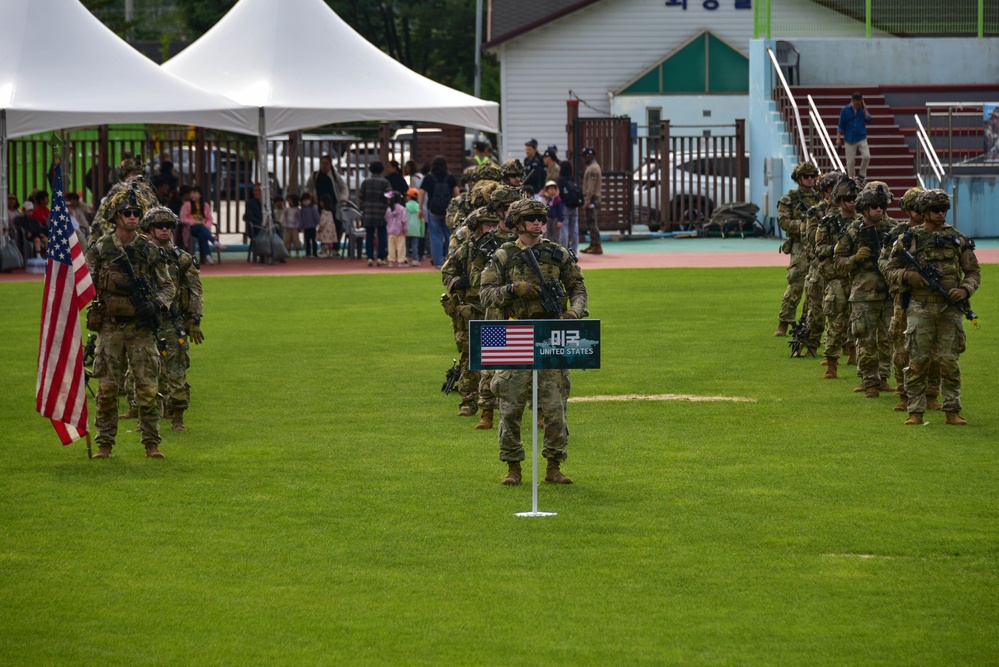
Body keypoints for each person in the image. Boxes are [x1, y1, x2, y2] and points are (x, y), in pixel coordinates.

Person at [480, 198, 588, 486]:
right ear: (518, 222)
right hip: (514, 334)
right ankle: (513, 468)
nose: (538, 223)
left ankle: (554, 466)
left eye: (541, 217)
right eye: (531, 218)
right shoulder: (504, 255)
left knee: (555, 407)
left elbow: (578, 287)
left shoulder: (557, 253)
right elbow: (486, 293)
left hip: (551, 335)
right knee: (511, 406)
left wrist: (574, 312)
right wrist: (513, 289)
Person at [86, 186, 175, 459]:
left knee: (147, 388)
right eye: (127, 213)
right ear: (115, 217)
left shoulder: (147, 249)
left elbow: (167, 287)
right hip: (110, 327)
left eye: (137, 213)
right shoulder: (101, 248)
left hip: (140, 328)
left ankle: (151, 444)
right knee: (107, 390)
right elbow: (85, 283)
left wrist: (156, 304)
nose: (134, 217)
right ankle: (104, 445)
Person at [885, 189, 981, 426]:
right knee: (918, 360)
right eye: (936, 210)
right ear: (925, 212)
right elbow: (889, 269)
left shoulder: (958, 238)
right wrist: (908, 275)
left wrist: (965, 290)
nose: (941, 214)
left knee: (949, 361)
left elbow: (973, 271)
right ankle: (915, 411)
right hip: (920, 307)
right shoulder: (909, 239)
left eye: (944, 210)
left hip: (950, 309)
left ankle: (952, 410)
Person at [141, 207, 204, 432]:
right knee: (144, 372)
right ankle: (147, 418)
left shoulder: (182, 259)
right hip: (144, 322)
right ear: (149, 229)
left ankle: (177, 417)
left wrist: (195, 318)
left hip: (172, 321)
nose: (165, 229)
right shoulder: (138, 256)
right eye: (160, 226)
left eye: (169, 226)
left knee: (176, 371)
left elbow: (196, 290)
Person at [879, 187, 940, 412]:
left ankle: (932, 394)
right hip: (904, 298)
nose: (918, 211)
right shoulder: (898, 234)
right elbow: (884, 264)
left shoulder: (939, 233)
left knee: (933, 350)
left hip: (932, 299)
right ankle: (904, 394)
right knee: (901, 348)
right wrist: (905, 276)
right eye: (914, 206)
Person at [833, 182, 896, 397]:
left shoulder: (894, 228)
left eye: (882, 205)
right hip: (863, 294)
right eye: (875, 206)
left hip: (889, 293)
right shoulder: (852, 231)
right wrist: (854, 258)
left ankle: (884, 378)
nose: (880, 210)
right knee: (865, 339)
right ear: (865, 208)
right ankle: (869, 381)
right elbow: (838, 262)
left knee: (888, 338)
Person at [815, 178, 860, 379]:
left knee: (858, 320)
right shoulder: (829, 223)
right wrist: (838, 249)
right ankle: (831, 364)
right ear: (840, 201)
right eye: (848, 198)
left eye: (855, 198)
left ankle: (854, 355)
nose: (852, 202)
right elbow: (819, 249)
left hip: (859, 276)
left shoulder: (863, 223)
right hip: (836, 276)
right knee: (835, 320)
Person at [774, 162, 821, 337]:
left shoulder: (820, 199)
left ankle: (807, 324)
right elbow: (784, 222)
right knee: (796, 285)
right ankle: (784, 322)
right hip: (800, 245)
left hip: (817, 245)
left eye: (812, 176)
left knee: (815, 286)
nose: (810, 180)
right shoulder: (790, 199)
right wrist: (805, 225)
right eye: (806, 177)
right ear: (799, 178)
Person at [418, 155, 458, 268]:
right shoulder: (450, 178)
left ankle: (438, 262)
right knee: (450, 235)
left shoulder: (428, 178)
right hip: (448, 210)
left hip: (433, 209)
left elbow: (421, 193)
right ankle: (451, 259)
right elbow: (456, 193)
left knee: (435, 236)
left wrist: (420, 208)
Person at [360, 161, 391, 266]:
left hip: (368, 212)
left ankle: (369, 257)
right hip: (381, 212)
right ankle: (381, 257)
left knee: (369, 235)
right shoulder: (385, 182)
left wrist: (364, 207)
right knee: (382, 235)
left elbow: (360, 197)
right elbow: (389, 196)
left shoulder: (365, 182)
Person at [837, 92, 874, 181]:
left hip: (861, 137)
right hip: (849, 139)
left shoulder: (862, 110)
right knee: (850, 162)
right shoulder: (845, 110)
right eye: (856, 103)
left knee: (866, 156)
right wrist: (838, 137)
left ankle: (862, 174)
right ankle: (852, 180)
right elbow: (840, 124)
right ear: (852, 101)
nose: (857, 105)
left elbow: (869, 119)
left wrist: (864, 109)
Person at [179, 185, 218, 265]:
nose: (193, 195)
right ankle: (214, 242)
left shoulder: (205, 205)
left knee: (201, 234)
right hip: (191, 229)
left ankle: (207, 257)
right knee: (200, 227)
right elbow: (183, 219)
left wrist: (205, 225)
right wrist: (195, 222)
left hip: (203, 230)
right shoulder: (187, 205)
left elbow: (209, 219)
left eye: (195, 193)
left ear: (200, 195)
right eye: (191, 193)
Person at [580, 147, 603, 254]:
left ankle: (597, 244)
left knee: (592, 222)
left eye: (586, 156)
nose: (585, 158)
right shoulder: (593, 167)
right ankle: (593, 243)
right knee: (590, 222)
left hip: (592, 198)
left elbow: (591, 186)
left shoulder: (592, 168)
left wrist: (588, 199)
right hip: (593, 197)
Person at [557, 160, 580, 253]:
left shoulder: (560, 180)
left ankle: (564, 250)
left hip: (564, 206)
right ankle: (574, 251)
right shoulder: (572, 179)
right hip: (574, 207)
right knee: (574, 229)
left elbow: (560, 193)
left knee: (564, 229)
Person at [385, 191, 408, 267]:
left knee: (391, 247)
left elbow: (386, 219)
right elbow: (404, 220)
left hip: (391, 231)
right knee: (401, 247)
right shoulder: (402, 209)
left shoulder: (389, 209)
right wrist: (405, 230)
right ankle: (401, 261)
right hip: (400, 231)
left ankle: (391, 261)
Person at [538, 180, 565, 245]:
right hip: (548, 219)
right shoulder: (547, 199)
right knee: (548, 235)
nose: (552, 190)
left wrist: (560, 220)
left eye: (553, 188)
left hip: (555, 219)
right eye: (550, 189)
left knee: (555, 235)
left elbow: (560, 210)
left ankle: (556, 248)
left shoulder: (557, 199)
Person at [405, 188, 424, 267]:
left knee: (406, 244)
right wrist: (422, 232)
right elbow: (422, 220)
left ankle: (405, 259)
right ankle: (415, 260)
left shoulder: (405, 206)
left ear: (409, 197)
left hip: (407, 228)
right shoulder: (418, 207)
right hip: (416, 229)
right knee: (414, 245)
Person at [317, 194, 339, 258]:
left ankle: (325, 253)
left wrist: (320, 228)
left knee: (325, 242)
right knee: (330, 243)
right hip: (331, 228)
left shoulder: (323, 212)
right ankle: (331, 252)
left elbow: (323, 221)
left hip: (325, 229)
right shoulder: (331, 212)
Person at [299, 192, 320, 258]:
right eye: (304, 200)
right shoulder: (302, 209)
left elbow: (316, 216)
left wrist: (318, 222)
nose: (305, 202)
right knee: (307, 241)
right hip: (306, 227)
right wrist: (301, 226)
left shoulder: (313, 208)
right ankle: (308, 253)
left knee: (314, 241)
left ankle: (314, 253)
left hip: (312, 227)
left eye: (307, 200)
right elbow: (301, 219)